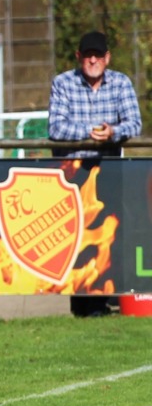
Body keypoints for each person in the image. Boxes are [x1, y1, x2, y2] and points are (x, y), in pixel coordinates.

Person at [47, 30, 142, 316]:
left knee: (111, 235)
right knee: (77, 241)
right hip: (73, 174)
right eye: (87, 55)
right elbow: (56, 128)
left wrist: (113, 132)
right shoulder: (62, 83)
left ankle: (106, 298)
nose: (92, 60)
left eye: (98, 55)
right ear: (78, 57)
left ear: (107, 57)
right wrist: (90, 134)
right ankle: (83, 304)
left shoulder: (121, 83)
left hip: (109, 171)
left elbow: (134, 123)